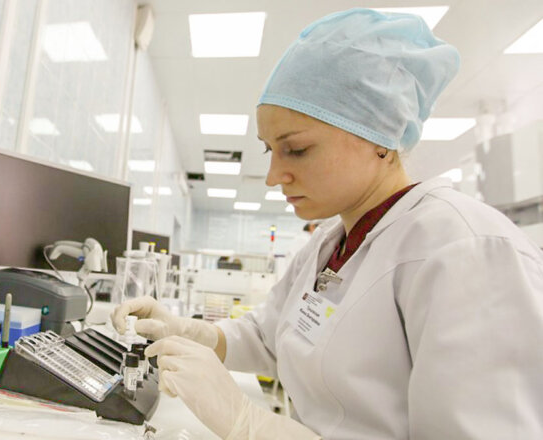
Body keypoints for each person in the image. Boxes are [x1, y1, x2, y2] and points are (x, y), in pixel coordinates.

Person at [111, 8, 543, 439]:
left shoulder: (466, 250)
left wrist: (249, 423)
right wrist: (188, 331)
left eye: (296, 150)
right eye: (269, 150)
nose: (273, 176)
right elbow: (268, 337)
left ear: (380, 137)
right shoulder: (329, 245)